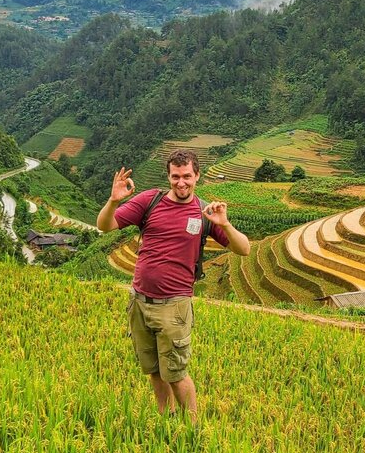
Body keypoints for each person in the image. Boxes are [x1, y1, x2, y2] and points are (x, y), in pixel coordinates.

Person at [96, 149, 250, 422]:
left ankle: (192, 427)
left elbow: (245, 249)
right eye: (176, 176)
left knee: (176, 374)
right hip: (140, 301)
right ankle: (165, 419)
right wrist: (113, 200)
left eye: (187, 177)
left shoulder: (204, 213)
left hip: (174, 306)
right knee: (154, 370)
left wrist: (224, 225)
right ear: (168, 176)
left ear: (197, 176)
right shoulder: (149, 201)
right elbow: (104, 226)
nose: (182, 183)